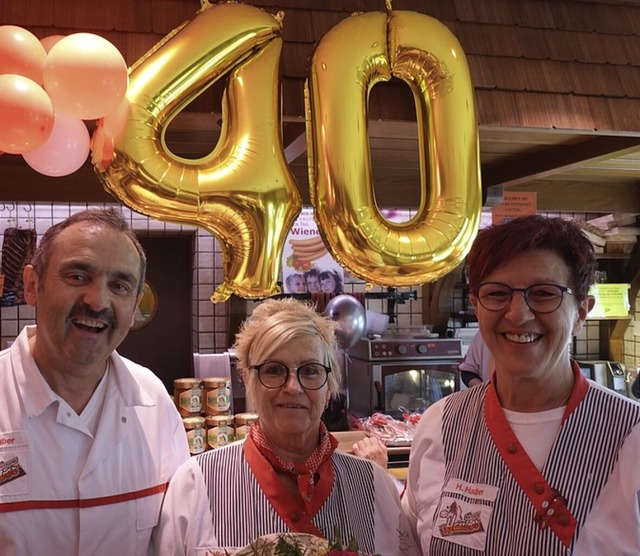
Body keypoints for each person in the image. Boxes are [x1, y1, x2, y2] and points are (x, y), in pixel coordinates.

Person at [403, 215, 640, 555]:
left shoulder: (632, 436)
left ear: (581, 312)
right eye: (497, 293)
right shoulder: (439, 425)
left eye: (544, 294)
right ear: (477, 307)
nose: (517, 314)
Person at [151, 298, 415, 556]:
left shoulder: (375, 486)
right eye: (274, 370)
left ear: (329, 385)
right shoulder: (195, 484)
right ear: (246, 379)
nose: (293, 387)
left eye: (310, 370)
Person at [0, 209, 190, 555]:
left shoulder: (153, 400)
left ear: (134, 307)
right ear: (32, 286)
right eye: (77, 276)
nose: (98, 301)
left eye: (119, 286)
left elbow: (178, 542)